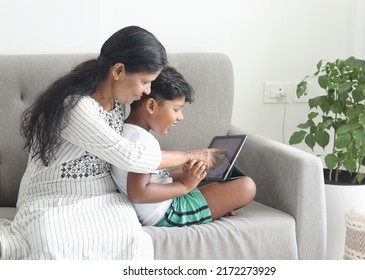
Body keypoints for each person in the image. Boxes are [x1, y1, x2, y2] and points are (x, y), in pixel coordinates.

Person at [0, 26, 220, 260]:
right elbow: (131, 156)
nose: (147, 91)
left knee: (134, 241)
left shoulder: (119, 104)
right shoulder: (76, 107)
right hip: (54, 198)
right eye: (145, 82)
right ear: (118, 70)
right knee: (54, 242)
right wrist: (190, 155)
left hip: (103, 197)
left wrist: (180, 176)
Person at [111, 66, 256, 227]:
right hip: (169, 213)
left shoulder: (127, 133)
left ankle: (219, 203)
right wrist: (184, 185)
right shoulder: (143, 142)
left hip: (164, 204)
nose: (180, 117)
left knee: (213, 181)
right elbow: (138, 193)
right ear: (151, 106)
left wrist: (184, 176)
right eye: (176, 109)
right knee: (246, 186)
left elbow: (149, 181)